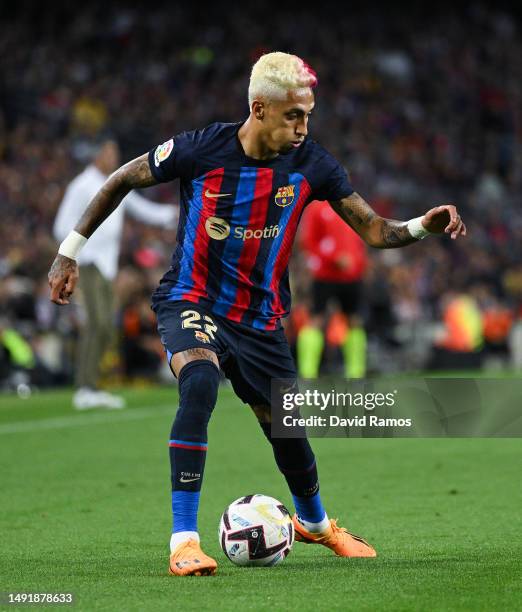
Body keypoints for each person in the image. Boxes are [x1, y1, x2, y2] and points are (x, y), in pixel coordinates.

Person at [48, 52, 466, 576]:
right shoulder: (201, 148)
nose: (303, 127)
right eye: (294, 115)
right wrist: (69, 251)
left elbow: (375, 230)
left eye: (308, 115)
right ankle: (184, 541)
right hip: (191, 298)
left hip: (261, 319)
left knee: (286, 429)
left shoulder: (312, 163)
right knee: (199, 380)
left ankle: (315, 525)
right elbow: (120, 180)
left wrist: (423, 225)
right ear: (260, 108)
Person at [53, 139, 177, 410]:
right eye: (110, 152)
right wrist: (77, 255)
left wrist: (175, 213)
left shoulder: (115, 181)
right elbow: (61, 226)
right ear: (97, 155)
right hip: (89, 264)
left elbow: (143, 210)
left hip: (107, 266)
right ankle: (86, 388)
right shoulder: (81, 186)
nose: (115, 156)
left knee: (105, 326)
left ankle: (92, 386)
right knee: (96, 324)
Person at [298, 200, 368, 378]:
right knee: (316, 319)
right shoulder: (317, 208)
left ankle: (356, 373)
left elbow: (361, 238)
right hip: (325, 275)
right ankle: (308, 373)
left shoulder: (354, 206)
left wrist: (360, 263)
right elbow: (308, 241)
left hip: (352, 275)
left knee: (353, 320)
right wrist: (332, 258)